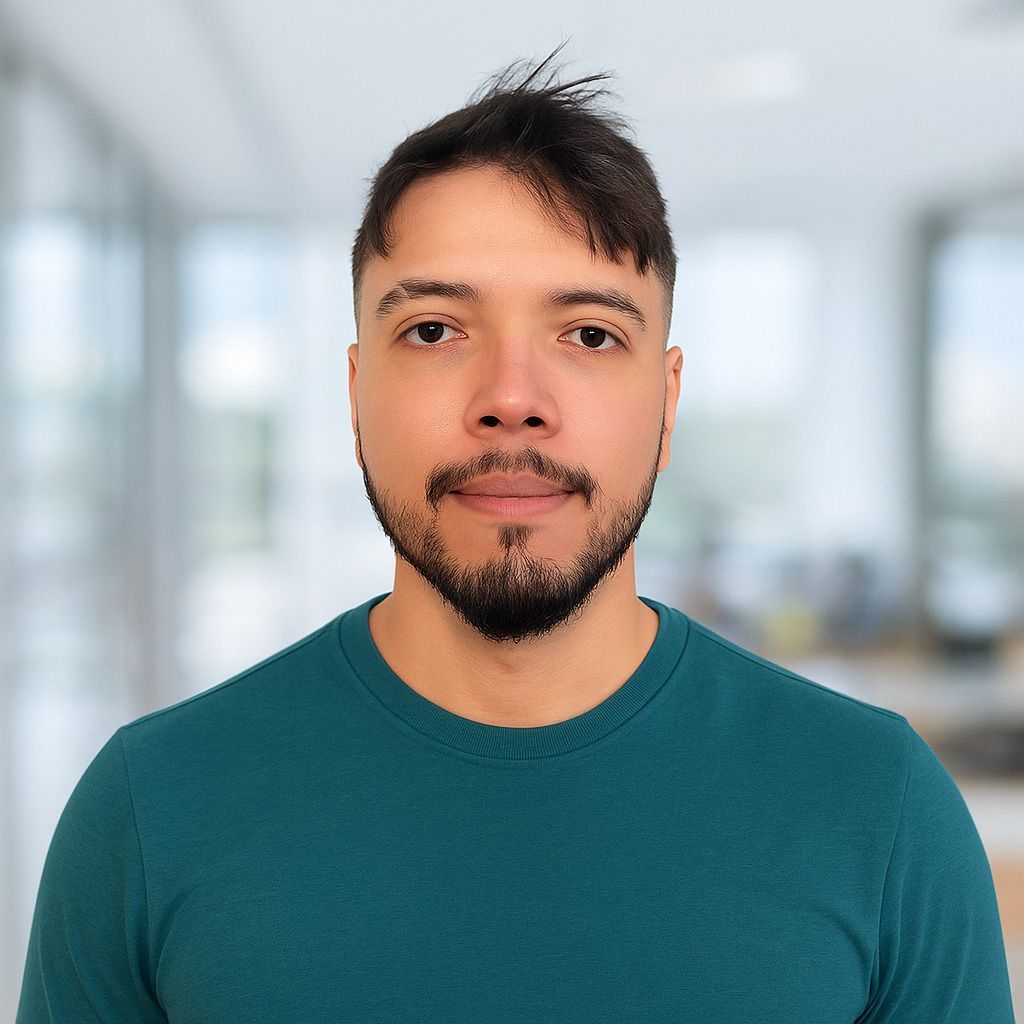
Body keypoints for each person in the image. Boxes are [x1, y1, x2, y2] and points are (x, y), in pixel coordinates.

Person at [16, 47, 1017, 1024]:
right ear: (356, 393)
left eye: (588, 334)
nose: (509, 400)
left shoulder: (879, 807)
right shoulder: (149, 809)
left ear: (666, 405)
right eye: (435, 330)